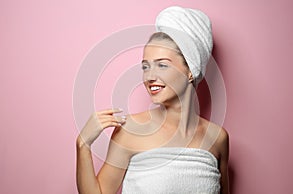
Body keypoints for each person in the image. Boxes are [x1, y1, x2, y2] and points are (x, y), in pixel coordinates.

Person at [76, 6, 229, 194]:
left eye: (162, 65)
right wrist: (83, 145)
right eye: (145, 67)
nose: (150, 76)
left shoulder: (218, 138)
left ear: (191, 70)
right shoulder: (130, 130)